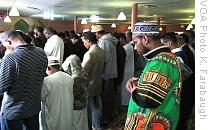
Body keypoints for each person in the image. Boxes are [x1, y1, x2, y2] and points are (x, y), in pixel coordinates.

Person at [124, 22, 182, 130]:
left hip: (152, 124)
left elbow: (147, 99)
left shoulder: (160, 62)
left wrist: (134, 89)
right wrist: (141, 83)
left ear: (145, 39)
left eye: (136, 42)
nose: (135, 48)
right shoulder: (166, 58)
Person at [0, 29, 48, 130]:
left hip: (14, 110)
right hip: (33, 106)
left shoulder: (10, 58)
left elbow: (1, 86)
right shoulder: (41, 53)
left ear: (9, 42)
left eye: (5, 44)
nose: (5, 47)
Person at [91, 25, 118, 124]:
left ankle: (106, 118)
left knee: (106, 97)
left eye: (95, 34)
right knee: (109, 96)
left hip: (106, 73)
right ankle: (109, 115)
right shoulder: (110, 40)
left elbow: (103, 59)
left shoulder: (104, 42)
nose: (95, 36)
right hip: (111, 72)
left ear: (98, 33)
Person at [40, 56, 74, 130]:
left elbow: (41, 97)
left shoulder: (47, 81)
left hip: (52, 116)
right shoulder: (69, 77)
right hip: (67, 114)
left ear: (48, 68)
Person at [81, 32, 105, 130]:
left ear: (88, 41)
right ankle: (98, 126)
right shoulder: (101, 50)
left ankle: (96, 126)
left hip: (90, 84)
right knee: (97, 107)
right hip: (98, 81)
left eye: (84, 42)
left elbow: (84, 71)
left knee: (92, 109)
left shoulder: (90, 53)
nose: (84, 44)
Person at [62, 54, 89, 130]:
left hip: (76, 105)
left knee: (77, 124)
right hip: (83, 102)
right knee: (83, 123)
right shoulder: (83, 72)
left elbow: (73, 93)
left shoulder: (75, 77)